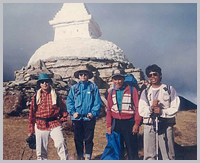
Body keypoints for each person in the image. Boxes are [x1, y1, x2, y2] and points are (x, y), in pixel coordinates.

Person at [139, 64, 180, 160]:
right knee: (149, 154)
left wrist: (162, 112)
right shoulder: (145, 92)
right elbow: (142, 109)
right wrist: (151, 108)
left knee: (168, 153)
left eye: (155, 74)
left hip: (165, 125)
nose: (152, 77)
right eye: (150, 75)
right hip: (149, 125)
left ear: (160, 75)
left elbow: (175, 107)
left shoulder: (169, 89)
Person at [28, 73, 68, 160]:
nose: (44, 84)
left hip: (54, 123)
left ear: (50, 83)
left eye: (46, 82)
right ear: (40, 84)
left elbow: (64, 108)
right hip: (40, 124)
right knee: (41, 150)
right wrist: (31, 129)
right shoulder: (35, 97)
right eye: (42, 82)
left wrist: (63, 118)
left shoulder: (56, 95)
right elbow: (32, 114)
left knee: (61, 142)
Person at [66, 66, 101, 160]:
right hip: (77, 118)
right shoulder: (75, 88)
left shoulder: (93, 87)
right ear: (78, 76)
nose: (83, 76)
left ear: (88, 75)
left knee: (89, 138)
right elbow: (69, 101)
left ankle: (88, 156)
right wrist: (73, 112)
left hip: (89, 117)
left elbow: (97, 102)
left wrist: (93, 113)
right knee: (78, 139)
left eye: (85, 74)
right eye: (81, 74)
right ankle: (80, 156)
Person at [106, 69, 142, 160]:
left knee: (132, 149)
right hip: (116, 123)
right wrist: (109, 125)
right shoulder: (111, 92)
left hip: (129, 122)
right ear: (112, 80)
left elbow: (138, 107)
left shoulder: (132, 90)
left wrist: (137, 123)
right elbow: (109, 110)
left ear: (123, 79)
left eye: (120, 79)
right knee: (118, 149)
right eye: (115, 79)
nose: (118, 82)